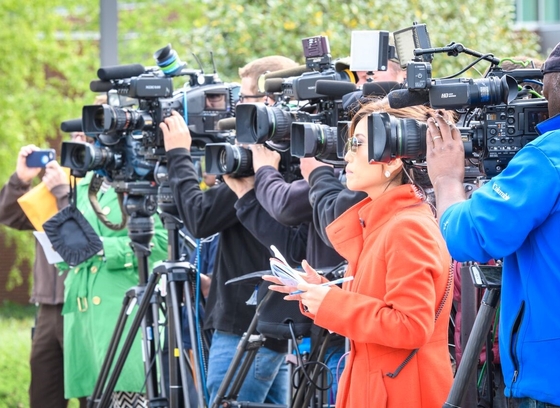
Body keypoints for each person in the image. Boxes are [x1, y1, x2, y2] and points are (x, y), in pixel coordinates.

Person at [265, 100, 455, 407]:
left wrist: (332, 302)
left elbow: (410, 326)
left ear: (392, 161)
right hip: (381, 387)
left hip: (403, 393)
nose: (347, 155)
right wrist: (320, 292)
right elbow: (377, 305)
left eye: (358, 144)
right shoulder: (386, 222)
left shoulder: (406, 227)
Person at [425, 42, 560, 408]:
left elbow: (468, 235)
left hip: (550, 381)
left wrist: (447, 181)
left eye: (542, 87)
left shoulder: (549, 157)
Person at [161, 55, 300, 407]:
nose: (236, 107)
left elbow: (198, 217)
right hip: (270, 324)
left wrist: (178, 154)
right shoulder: (295, 162)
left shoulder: (263, 166)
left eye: (246, 97)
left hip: (246, 328)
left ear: (270, 102)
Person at [58, 130, 168, 407]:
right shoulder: (84, 187)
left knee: (128, 392)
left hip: (125, 306)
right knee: (95, 396)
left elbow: (163, 243)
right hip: (84, 312)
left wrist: (104, 248)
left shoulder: (144, 182)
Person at [0, 146, 70, 408]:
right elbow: (10, 215)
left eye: (85, 136)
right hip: (48, 308)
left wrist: (64, 193)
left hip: (84, 305)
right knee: (43, 394)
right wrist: (21, 180)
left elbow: (86, 239)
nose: (78, 140)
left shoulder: (98, 190)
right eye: (74, 136)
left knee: (93, 391)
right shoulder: (52, 188)